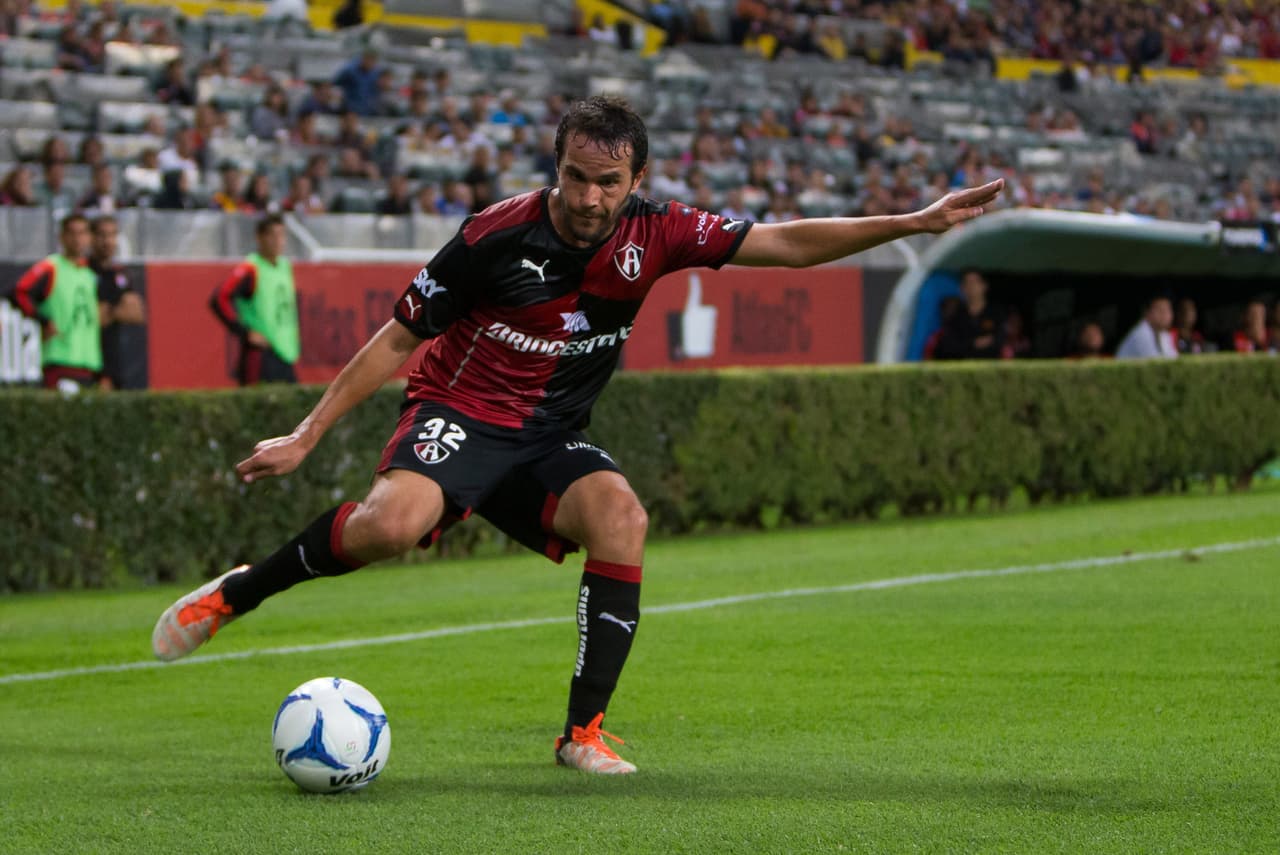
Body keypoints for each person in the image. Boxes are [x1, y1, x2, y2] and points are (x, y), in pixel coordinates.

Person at [152, 96, 1003, 774]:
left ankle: (582, 733)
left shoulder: (659, 230)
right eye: (575, 176)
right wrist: (306, 433)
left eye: (608, 180)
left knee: (622, 517)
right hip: (459, 411)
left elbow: (780, 242)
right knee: (388, 530)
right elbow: (399, 339)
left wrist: (912, 220)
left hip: (551, 431)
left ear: (637, 176)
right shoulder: (493, 234)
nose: (590, 197)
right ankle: (235, 594)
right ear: (555, 167)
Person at [10, 214, 106, 391]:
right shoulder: (52, 266)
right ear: (62, 237)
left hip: (90, 362)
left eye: (82, 233)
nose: (77, 239)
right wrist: (44, 321)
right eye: (72, 233)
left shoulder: (90, 273)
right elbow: (20, 292)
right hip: (60, 359)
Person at [208, 215, 300, 385]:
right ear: (260, 238)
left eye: (281, 235)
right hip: (261, 355)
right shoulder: (251, 268)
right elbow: (219, 298)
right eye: (272, 235)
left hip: (286, 352)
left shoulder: (285, 267)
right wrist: (245, 332)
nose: (278, 241)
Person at [89, 215, 147, 388]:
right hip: (90, 358)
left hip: (115, 357)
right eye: (102, 235)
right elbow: (95, 318)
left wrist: (110, 311)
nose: (107, 241)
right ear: (91, 238)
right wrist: (118, 310)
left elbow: (137, 313)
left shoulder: (120, 274)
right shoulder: (84, 271)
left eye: (112, 235)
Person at [934, 269, 1004, 359]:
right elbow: (947, 346)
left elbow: (1003, 340)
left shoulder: (997, 313)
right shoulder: (955, 316)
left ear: (984, 286)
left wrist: (991, 342)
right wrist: (973, 343)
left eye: (975, 282)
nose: (971, 286)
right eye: (967, 282)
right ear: (961, 288)